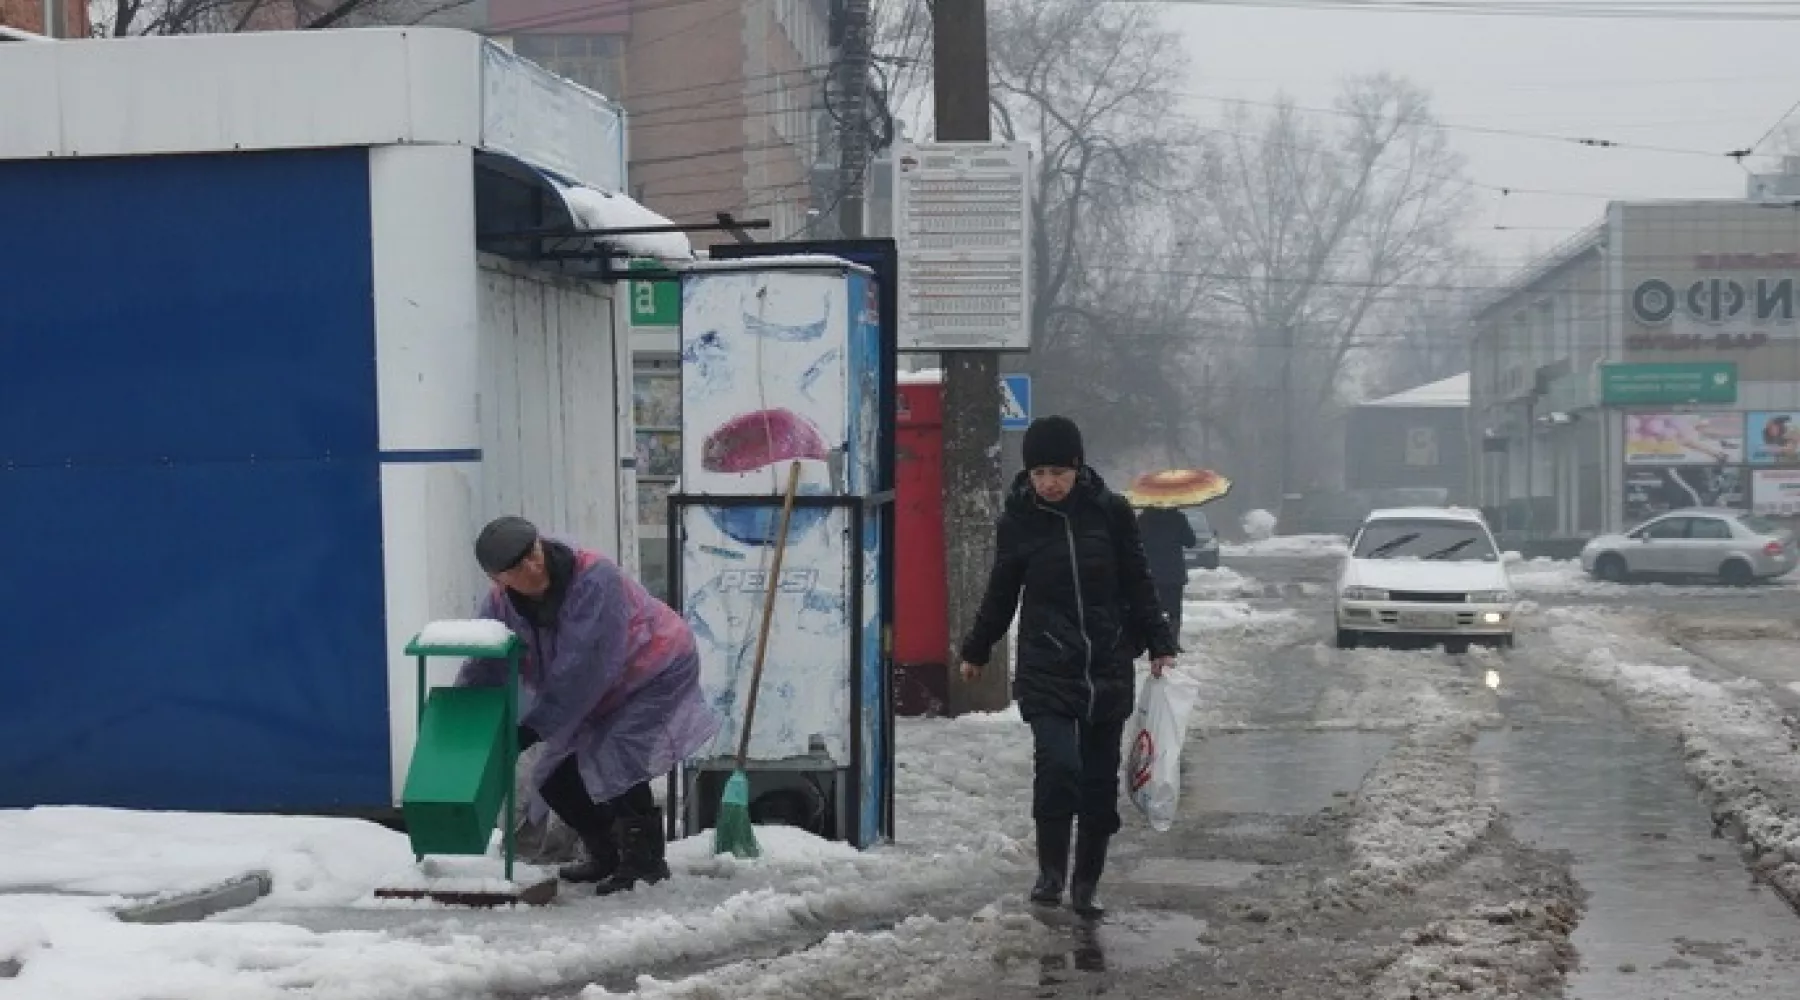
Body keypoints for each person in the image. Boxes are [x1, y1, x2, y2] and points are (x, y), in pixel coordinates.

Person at [956, 416, 1178, 918]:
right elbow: (1001, 590)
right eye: (1038, 473)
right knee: (1059, 765)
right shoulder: (1018, 521)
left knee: (1098, 783)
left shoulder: (1112, 513)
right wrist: (977, 648)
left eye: (1057, 471)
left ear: (1077, 467)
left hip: (1106, 665)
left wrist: (1160, 641)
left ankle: (1086, 884)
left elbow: (1140, 580)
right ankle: (1050, 872)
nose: (1048, 483)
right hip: (1047, 664)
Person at [457, 516, 720, 895]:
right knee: (553, 777)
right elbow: (486, 659)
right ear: (499, 580)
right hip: (599, 691)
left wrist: (532, 729)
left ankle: (645, 863)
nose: (533, 566)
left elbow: (584, 668)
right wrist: (463, 715)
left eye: (533, 553)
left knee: (617, 758)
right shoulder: (501, 605)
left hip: (654, 669)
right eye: (517, 567)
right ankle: (606, 851)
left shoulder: (595, 578)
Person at [1135, 505, 1196, 644]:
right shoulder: (1178, 518)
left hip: (1151, 572)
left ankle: (1152, 641)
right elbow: (1191, 542)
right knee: (1174, 609)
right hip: (1174, 573)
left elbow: (1135, 541)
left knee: (1151, 607)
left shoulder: (1143, 519)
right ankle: (1173, 642)